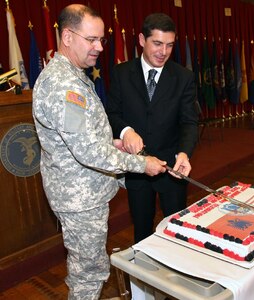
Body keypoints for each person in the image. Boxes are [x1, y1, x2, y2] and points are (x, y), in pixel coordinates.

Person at [32, 4, 166, 299]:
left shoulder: (72, 75)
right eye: (91, 39)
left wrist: (114, 143)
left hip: (85, 194)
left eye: (101, 40)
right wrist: (142, 164)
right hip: (80, 200)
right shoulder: (63, 86)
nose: (99, 48)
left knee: (87, 268)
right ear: (67, 37)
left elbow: (82, 138)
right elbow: (87, 153)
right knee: (89, 275)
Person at [106, 13, 198, 243]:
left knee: (176, 232)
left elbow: (189, 121)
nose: (163, 52)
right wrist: (126, 130)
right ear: (141, 40)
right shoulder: (120, 73)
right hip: (137, 167)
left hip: (172, 169)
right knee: (142, 230)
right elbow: (112, 114)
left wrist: (185, 153)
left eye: (169, 45)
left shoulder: (183, 77)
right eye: (157, 43)